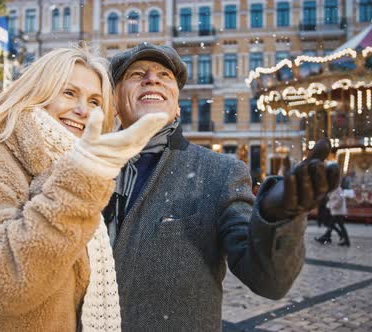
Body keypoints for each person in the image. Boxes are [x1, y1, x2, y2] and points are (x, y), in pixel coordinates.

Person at [0, 45, 168, 331]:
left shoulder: (79, 168)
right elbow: (8, 282)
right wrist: (81, 178)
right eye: (69, 93)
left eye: (94, 102)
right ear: (36, 93)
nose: (82, 110)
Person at [104, 43, 339, 330]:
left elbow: (269, 280)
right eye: (137, 74)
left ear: (177, 106)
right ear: (114, 100)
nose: (152, 78)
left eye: (165, 76)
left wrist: (276, 218)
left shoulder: (219, 172)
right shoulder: (87, 167)